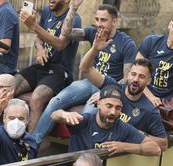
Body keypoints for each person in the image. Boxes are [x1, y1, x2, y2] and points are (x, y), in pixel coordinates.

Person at [27, 1, 137, 146]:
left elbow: (126, 80)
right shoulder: (93, 33)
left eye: (103, 20)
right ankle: (33, 144)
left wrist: (108, 94)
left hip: (107, 88)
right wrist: (73, 8)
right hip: (88, 82)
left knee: (89, 114)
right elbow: (66, 34)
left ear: (114, 21)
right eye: (97, 19)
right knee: (55, 102)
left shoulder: (127, 44)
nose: (98, 24)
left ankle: (81, 155)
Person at [79, 28, 167, 151]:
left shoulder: (149, 110)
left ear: (148, 81)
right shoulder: (113, 87)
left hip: (120, 161)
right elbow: (85, 69)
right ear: (128, 74)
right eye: (133, 74)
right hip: (93, 150)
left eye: (141, 77)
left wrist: (136, 136)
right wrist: (94, 50)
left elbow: (163, 144)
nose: (136, 79)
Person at [14, 0, 82, 133]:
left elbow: (61, 44)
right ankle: (7, 138)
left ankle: (31, 145)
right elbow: (38, 37)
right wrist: (39, 48)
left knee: (37, 98)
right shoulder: (46, 11)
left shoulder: (74, 18)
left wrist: (33, 25)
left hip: (60, 71)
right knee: (10, 86)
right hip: (41, 66)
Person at [51, 85, 161, 156]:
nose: (113, 112)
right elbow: (54, 115)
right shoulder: (85, 121)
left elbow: (156, 149)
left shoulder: (122, 128)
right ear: (98, 104)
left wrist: (124, 147)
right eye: (109, 106)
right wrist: (64, 114)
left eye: (118, 108)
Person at [0, 97, 37, 166]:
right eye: (11, 118)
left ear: (27, 120)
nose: (16, 122)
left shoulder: (31, 140)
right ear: (4, 118)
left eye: (21, 118)